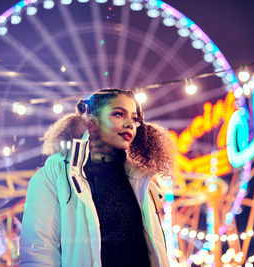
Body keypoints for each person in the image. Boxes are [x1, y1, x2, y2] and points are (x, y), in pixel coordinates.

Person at [20, 88, 175, 266]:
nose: (130, 124)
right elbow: (38, 251)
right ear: (92, 123)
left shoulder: (141, 180)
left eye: (134, 118)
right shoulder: (55, 175)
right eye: (118, 114)